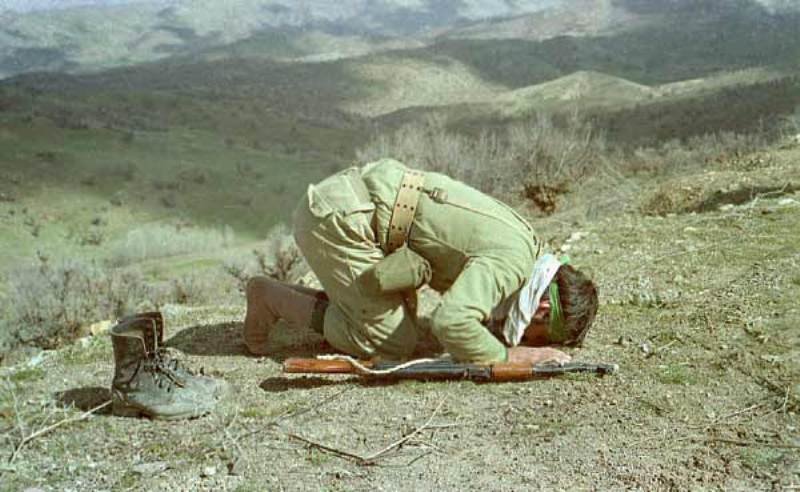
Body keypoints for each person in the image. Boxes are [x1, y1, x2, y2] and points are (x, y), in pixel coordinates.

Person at [244, 158, 598, 366]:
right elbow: (452, 322)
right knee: (389, 344)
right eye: (538, 337)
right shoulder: (512, 264)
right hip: (338, 222)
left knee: (403, 326)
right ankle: (270, 298)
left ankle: (344, 306)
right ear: (541, 311)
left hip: (352, 207)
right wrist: (509, 357)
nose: (529, 342)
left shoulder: (526, 245)